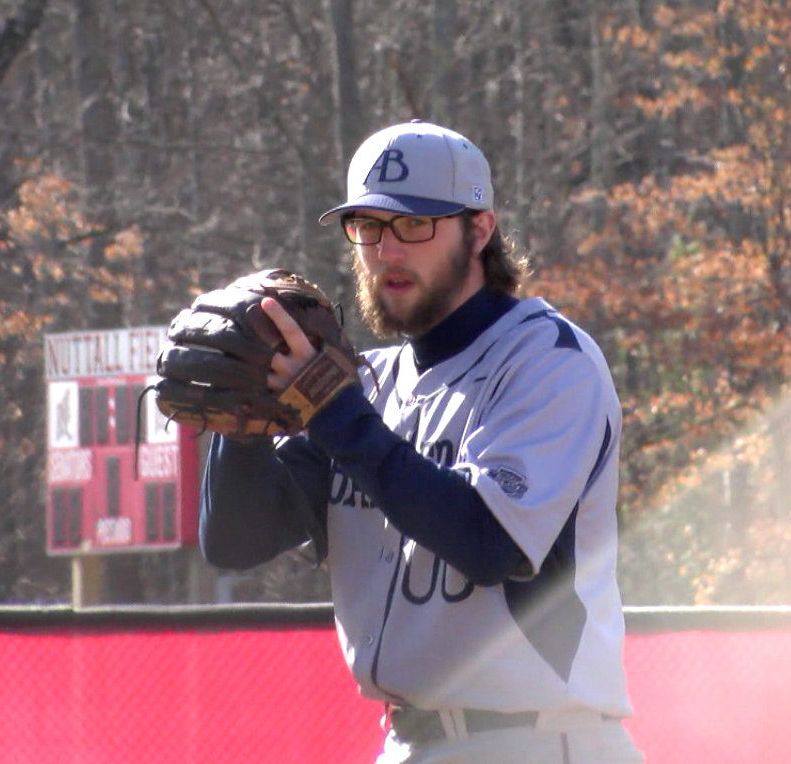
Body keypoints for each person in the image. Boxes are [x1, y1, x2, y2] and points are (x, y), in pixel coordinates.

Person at [199, 121, 643, 764]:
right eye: (369, 227)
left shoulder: (547, 360)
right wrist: (240, 422)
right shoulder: (368, 385)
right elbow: (235, 540)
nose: (387, 249)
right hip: (408, 740)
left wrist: (334, 412)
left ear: (480, 229)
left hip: (536, 738)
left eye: (414, 224)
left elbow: (489, 542)